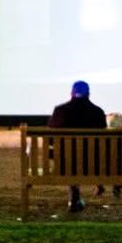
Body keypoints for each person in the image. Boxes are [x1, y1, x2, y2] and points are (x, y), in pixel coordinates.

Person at [48, 80, 106, 213]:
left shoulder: (60, 111)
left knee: (69, 155)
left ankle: (74, 197)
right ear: (89, 94)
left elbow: (51, 141)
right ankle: (95, 185)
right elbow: (103, 144)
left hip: (65, 165)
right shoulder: (98, 112)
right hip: (91, 164)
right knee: (87, 154)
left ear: (71, 94)